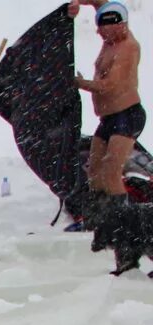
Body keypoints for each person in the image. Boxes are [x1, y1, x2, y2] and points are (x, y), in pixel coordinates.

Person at [70, 0, 144, 244]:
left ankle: (128, 226)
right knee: (94, 172)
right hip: (109, 118)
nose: (98, 32)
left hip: (127, 115)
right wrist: (77, 3)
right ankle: (99, 220)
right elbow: (102, 2)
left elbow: (109, 85)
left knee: (112, 172)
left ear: (117, 26)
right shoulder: (110, 40)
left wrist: (79, 83)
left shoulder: (128, 47)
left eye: (102, 28)